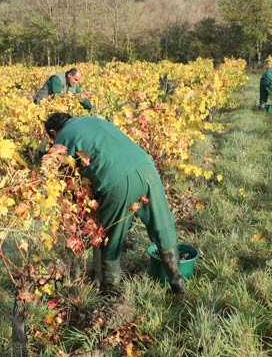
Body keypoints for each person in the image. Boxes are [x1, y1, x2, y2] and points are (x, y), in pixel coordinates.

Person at [44, 112, 185, 295]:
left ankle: (110, 294)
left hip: (117, 180)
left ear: (54, 132)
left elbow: (67, 182)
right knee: (163, 227)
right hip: (147, 168)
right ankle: (178, 285)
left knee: (111, 240)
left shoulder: (61, 139)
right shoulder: (92, 119)